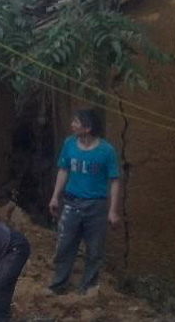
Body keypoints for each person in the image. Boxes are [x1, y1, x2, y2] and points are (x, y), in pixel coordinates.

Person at [48, 109, 121, 294]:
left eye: (76, 122)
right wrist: (55, 196)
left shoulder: (106, 151)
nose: (72, 125)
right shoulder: (69, 144)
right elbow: (63, 170)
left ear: (87, 128)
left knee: (94, 250)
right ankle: (58, 285)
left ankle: (88, 286)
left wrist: (112, 211)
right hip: (71, 203)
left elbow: (114, 181)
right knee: (64, 245)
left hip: (96, 206)